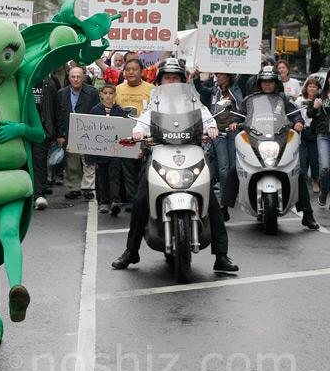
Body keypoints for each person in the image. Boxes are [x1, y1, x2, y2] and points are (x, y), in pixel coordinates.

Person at [111, 58, 240, 272]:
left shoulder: (192, 100)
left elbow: (206, 116)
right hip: (161, 151)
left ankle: (221, 255)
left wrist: (211, 127)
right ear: (161, 80)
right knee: (141, 199)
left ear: (181, 79)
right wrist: (138, 131)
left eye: (175, 77)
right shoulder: (156, 101)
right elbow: (144, 118)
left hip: (192, 151)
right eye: (167, 77)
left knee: (211, 201)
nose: (171, 81)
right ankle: (131, 251)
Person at [228, 66, 319, 229]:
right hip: (255, 139)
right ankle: (223, 208)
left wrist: (298, 121)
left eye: (271, 81)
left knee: (297, 172)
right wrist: (234, 122)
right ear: (259, 83)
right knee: (235, 169)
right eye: (264, 82)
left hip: (279, 139)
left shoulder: (282, 99)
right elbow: (239, 114)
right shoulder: (250, 100)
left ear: (276, 83)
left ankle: (307, 214)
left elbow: (294, 113)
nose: (268, 84)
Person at [192, 71, 243, 221]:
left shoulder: (235, 90)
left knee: (233, 165)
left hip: (232, 132)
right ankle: (224, 198)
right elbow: (201, 90)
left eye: (220, 74)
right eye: (216, 74)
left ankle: (230, 194)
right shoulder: (215, 89)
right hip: (218, 132)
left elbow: (241, 108)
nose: (217, 77)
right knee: (223, 167)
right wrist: (196, 77)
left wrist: (236, 122)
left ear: (228, 76)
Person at [115, 58, 154, 205]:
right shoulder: (118, 89)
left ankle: (145, 199)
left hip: (146, 137)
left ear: (142, 71)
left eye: (134, 69)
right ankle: (134, 201)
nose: (131, 72)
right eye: (128, 69)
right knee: (129, 170)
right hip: (126, 137)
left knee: (145, 169)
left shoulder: (151, 89)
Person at [57, 66, 99, 200]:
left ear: (84, 77)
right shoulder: (62, 93)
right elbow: (58, 115)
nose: (76, 79)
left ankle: (88, 188)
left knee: (88, 161)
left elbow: (97, 111)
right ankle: (74, 187)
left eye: (79, 77)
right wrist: (60, 134)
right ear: (69, 78)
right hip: (69, 130)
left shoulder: (92, 92)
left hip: (88, 131)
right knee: (72, 161)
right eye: (73, 77)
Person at [89, 84, 125, 215]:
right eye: (105, 93)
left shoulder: (119, 110)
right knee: (102, 177)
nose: (108, 96)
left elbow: (123, 129)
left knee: (114, 176)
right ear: (101, 95)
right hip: (100, 151)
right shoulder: (95, 110)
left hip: (115, 151)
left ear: (114, 95)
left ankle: (115, 200)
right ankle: (103, 202)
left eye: (111, 93)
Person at [31, 71, 61, 210]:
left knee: (39, 162)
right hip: (24, 127)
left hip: (42, 130)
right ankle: (26, 194)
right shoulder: (23, 80)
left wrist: (58, 132)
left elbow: (56, 107)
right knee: (23, 162)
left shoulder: (50, 82)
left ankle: (39, 195)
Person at [308, 75, 330, 206]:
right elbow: (309, 113)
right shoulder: (320, 95)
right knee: (325, 168)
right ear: (328, 79)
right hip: (323, 135)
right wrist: (315, 107)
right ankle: (324, 192)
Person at [298, 77, 322, 195]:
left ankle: (315, 181)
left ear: (318, 89)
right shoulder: (299, 100)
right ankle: (303, 184)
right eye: (310, 86)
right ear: (306, 87)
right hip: (301, 133)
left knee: (314, 160)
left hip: (314, 133)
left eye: (314, 86)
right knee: (302, 161)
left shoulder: (320, 101)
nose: (312, 88)